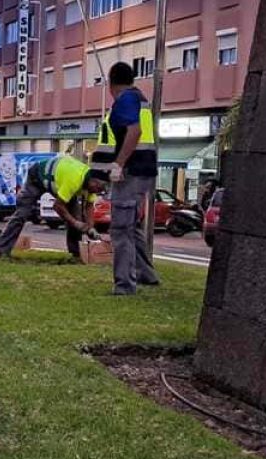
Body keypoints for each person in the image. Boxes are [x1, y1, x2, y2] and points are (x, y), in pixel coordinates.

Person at [91, 62, 160, 295]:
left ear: (111, 83)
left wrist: (118, 165)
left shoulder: (125, 100)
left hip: (131, 172)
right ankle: (146, 274)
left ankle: (124, 285)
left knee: (120, 230)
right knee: (132, 228)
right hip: (146, 171)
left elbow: (134, 131)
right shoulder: (141, 99)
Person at [0, 154, 110, 259]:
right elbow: (57, 206)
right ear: (93, 182)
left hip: (57, 181)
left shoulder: (91, 186)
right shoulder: (74, 180)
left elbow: (89, 207)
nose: (97, 192)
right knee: (21, 215)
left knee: (75, 215)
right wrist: (76, 223)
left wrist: (90, 228)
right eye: (98, 188)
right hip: (37, 176)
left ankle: (77, 254)